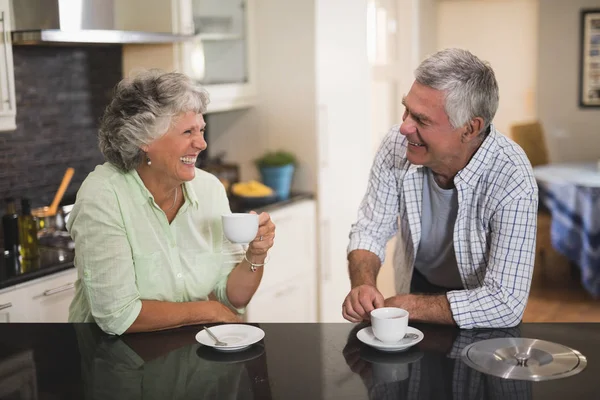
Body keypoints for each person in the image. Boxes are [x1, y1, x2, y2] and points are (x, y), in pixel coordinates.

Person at [67, 70, 275, 335]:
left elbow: (232, 298)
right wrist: (207, 311)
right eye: (187, 131)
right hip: (115, 361)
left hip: (188, 357)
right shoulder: (103, 197)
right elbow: (117, 316)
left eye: (201, 129)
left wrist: (256, 254)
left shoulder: (209, 188)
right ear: (144, 140)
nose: (201, 143)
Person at [342, 48, 538, 329]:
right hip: (417, 283)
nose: (404, 128)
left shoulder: (512, 175)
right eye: (406, 110)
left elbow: (505, 303)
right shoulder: (395, 146)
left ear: (470, 129)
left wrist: (405, 304)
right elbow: (371, 229)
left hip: (482, 312)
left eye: (421, 120)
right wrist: (363, 284)